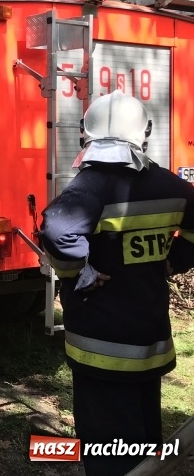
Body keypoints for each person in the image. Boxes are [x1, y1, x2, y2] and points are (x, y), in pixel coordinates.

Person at [39, 90, 194, 476]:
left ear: (85, 136)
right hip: (149, 340)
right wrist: (174, 262)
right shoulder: (173, 187)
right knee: (145, 434)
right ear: (144, 134)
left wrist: (80, 272)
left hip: (100, 348)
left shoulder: (90, 187)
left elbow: (57, 230)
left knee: (108, 446)